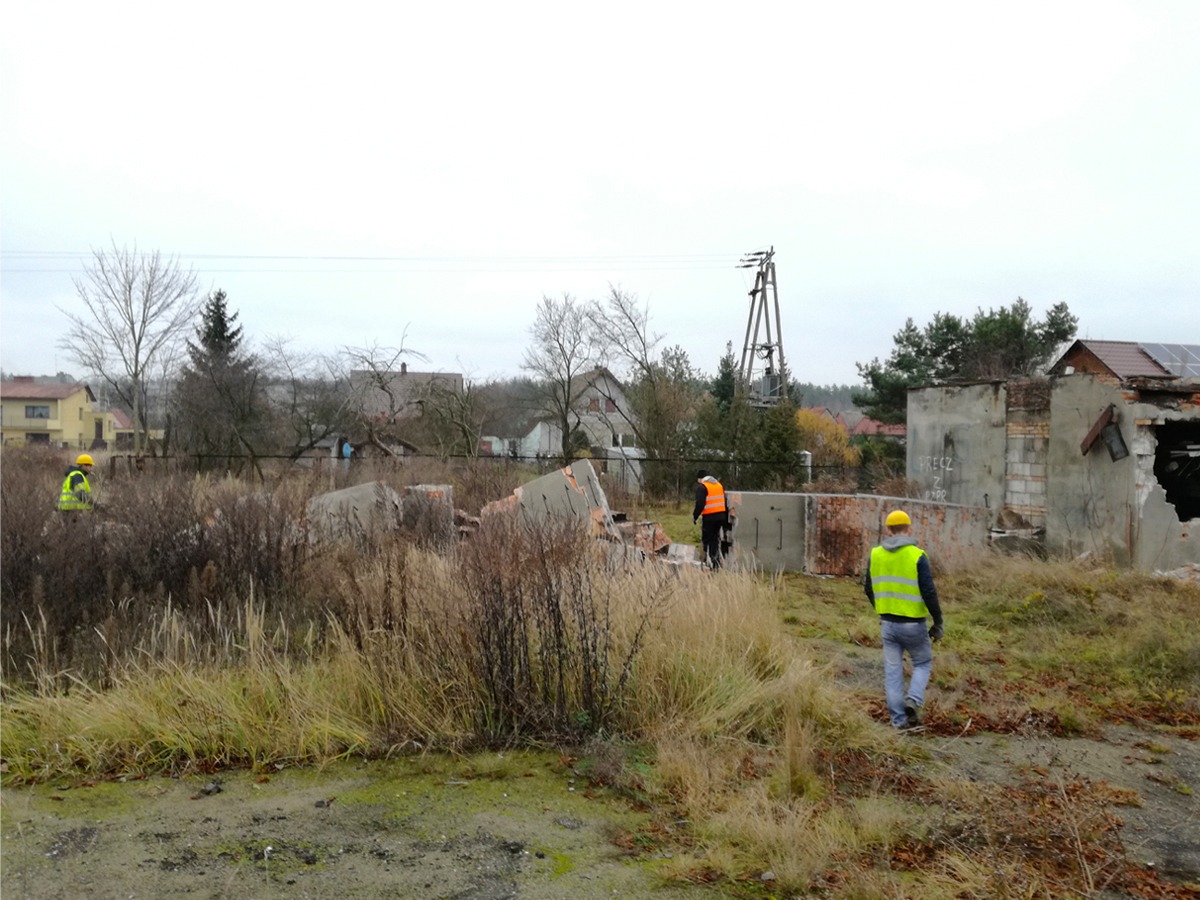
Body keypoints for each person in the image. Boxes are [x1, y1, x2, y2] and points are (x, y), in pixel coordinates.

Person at [863, 509, 944, 729]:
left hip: (887, 624)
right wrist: (938, 621)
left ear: (888, 530)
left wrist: (881, 608)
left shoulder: (875, 554)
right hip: (914, 624)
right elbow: (929, 592)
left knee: (892, 672)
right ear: (909, 529)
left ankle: (899, 722)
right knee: (923, 663)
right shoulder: (917, 556)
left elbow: (868, 588)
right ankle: (914, 700)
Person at [692, 469, 728, 569]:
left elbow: (700, 504)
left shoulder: (703, 487)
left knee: (707, 540)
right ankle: (715, 562)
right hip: (721, 516)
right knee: (715, 540)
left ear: (700, 478)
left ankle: (707, 563)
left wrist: (695, 516)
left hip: (709, 517)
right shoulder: (719, 485)